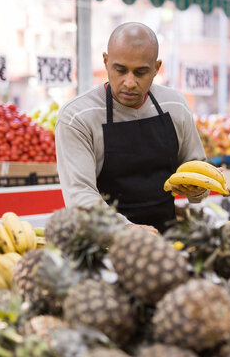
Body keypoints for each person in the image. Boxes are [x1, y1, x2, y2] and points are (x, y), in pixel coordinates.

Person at [55, 22, 208, 233]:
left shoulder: (175, 106)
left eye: (141, 72)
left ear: (156, 68)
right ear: (106, 62)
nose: (129, 82)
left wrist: (197, 191)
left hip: (168, 242)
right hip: (106, 244)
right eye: (120, 70)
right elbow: (80, 194)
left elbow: (196, 169)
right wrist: (124, 229)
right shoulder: (77, 117)